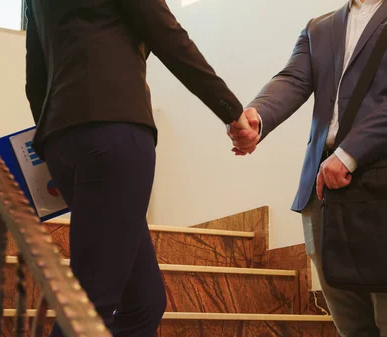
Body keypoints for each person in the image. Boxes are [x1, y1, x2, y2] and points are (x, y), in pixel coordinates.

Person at [229, 0, 387, 336]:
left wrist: (350, 151)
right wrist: (256, 117)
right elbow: (292, 79)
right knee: (351, 326)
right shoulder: (319, 26)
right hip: (322, 194)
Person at [24, 0, 250, 336]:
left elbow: (36, 76)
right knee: (91, 305)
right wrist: (232, 111)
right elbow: (168, 35)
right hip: (115, 131)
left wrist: (56, 133)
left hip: (63, 140)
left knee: (144, 300)